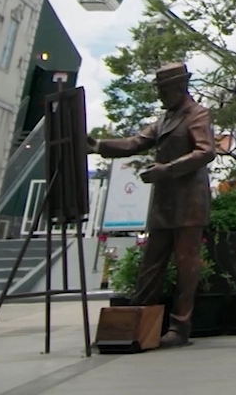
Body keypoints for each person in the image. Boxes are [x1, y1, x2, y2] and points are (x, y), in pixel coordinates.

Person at [90, 61, 216, 347]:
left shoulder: (198, 114)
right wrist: (99, 145)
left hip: (189, 203)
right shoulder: (165, 119)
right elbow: (136, 142)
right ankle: (139, 318)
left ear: (178, 87)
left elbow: (205, 151)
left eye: (163, 90)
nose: (160, 96)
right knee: (151, 261)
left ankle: (180, 326)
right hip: (164, 202)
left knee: (186, 265)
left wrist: (166, 169)